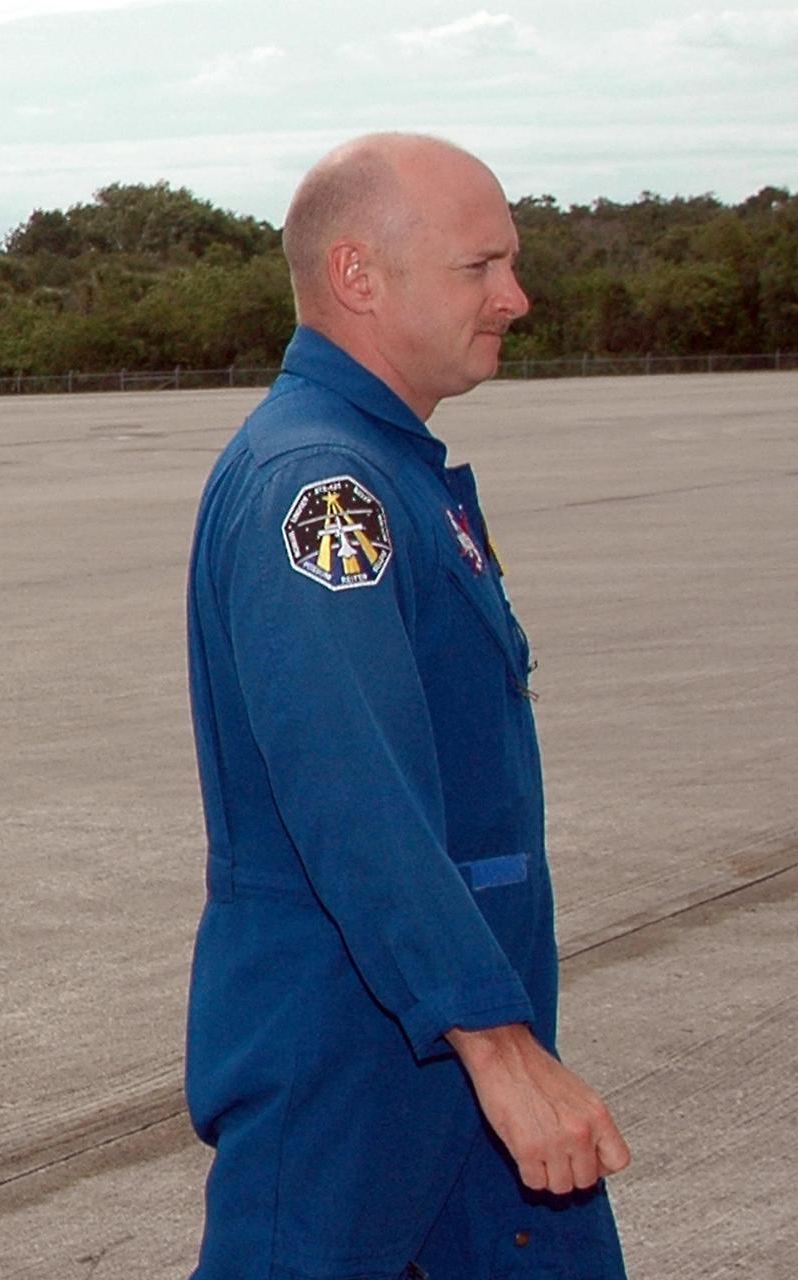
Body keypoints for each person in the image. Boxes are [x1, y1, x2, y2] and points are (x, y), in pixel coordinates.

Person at [185, 132, 630, 1280]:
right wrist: (493, 1042)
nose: (515, 297)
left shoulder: (386, 471)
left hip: (446, 1043)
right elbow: (353, 786)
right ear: (358, 276)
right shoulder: (321, 488)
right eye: (479, 266)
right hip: (361, 1061)